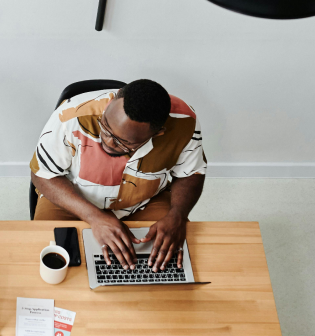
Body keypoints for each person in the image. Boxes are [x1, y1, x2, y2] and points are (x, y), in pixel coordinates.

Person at [30, 78, 205, 270]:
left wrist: (178, 215)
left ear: (157, 133)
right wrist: (94, 217)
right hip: (72, 198)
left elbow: (191, 172)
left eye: (124, 142)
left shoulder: (184, 123)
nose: (108, 142)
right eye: (105, 126)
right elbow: (42, 174)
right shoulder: (71, 115)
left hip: (145, 201)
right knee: (48, 262)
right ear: (111, 102)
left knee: (165, 266)